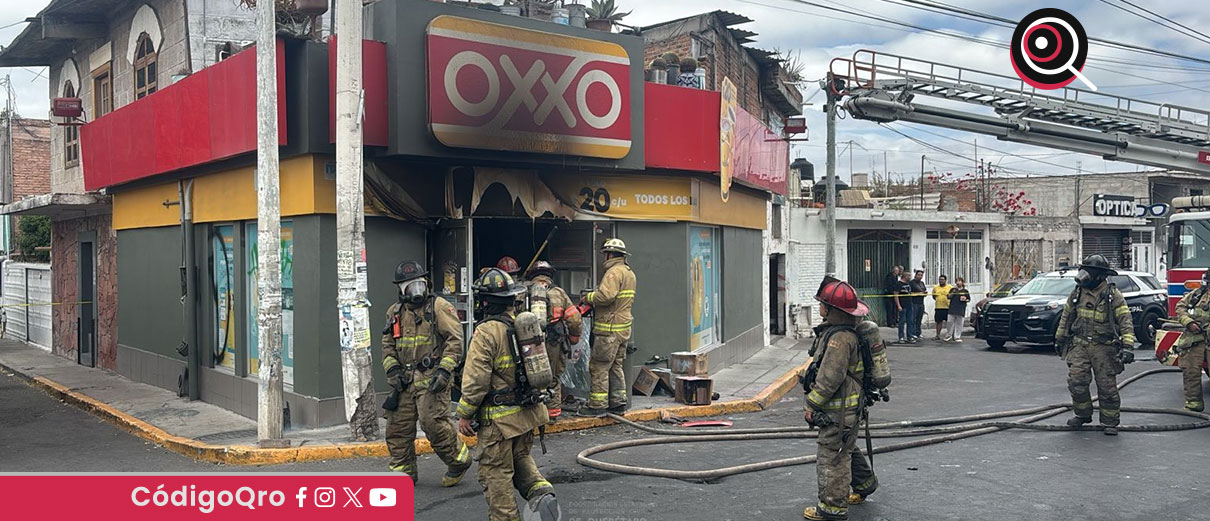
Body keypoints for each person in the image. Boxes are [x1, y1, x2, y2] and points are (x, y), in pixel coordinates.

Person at [456, 268, 560, 521]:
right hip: (527, 414)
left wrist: (464, 415)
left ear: (484, 302)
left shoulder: (486, 332)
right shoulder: (522, 325)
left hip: (498, 422)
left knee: (496, 474)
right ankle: (542, 493)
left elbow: (476, 380)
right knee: (520, 458)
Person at [381, 260, 471, 485]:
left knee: (433, 424)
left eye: (418, 285)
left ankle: (458, 461)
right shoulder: (395, 312)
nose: (415, 291)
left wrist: (445, 371)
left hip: (432, 379)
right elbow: (387, 344)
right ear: (401, 289)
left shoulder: (439, 307)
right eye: (409, 287)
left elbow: (455, 341)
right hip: (404, 382)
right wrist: (392, 369)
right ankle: (403, 474)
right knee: (397, 428)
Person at [802, 277, 878, 521]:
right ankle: (865, 483)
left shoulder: (839, 339)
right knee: (846, 445)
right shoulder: (844, 333)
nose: (820, 307)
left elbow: (830, 379)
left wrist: (812, 405)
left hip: (839, 409)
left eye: (823, 304)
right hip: (851, 408)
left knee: (832, 454)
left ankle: (832, 507)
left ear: (832, 309)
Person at [1054, 255, 1136, 436]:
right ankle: (1082, 415)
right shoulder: (1077, 293)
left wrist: (1128, 346)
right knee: (1077, 383)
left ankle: (1110, 421)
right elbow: (1066, 317)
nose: (1084, 275)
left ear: (1099, 275)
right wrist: (1060, 338)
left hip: (1104, 347)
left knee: (1106, 387)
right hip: (1080, 345)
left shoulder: (1112, 295)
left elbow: (1125, 321)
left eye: (1089, 272)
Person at [579, 238, 637, 417]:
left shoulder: (613, 272)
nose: (604, 257)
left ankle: (597, 405)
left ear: (610, 254)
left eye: (605, 254)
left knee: (599, 366)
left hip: (608, 329)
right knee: (616, 365)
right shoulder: (629, 273)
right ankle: (618, 403)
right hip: (623, 328)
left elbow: (606, 296)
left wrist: (588, 298)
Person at [524, 261, 584, 420]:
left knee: (529, 376)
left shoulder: (523, 292)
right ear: (550, 275)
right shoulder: (559, 293)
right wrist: (574, 337)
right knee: (552, 377)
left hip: (528, 342)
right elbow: (574, 319)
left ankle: (533, 413)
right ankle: (552, 414)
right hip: (554, 341)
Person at [1174, 268, 1210, 412]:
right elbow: (1180, 307)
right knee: (1191, 371)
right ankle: (1193, 404)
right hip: (1195, 339)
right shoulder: (1198, 294)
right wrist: (1189, 323)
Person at [946, 277, 971, 343]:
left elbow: (968, 299)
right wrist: (952, 293)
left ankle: (957, 336)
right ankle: (949, 335)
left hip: (960, 309)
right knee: (949, 322)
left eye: (959, 281)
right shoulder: (953, 289)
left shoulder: (965, 291)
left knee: (959, 324)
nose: (958, 283)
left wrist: (965, 299)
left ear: (962, 282)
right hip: (952, 309)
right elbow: (948, 297)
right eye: (957, 281)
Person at [893, 272, 913, 343]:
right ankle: (901, 337)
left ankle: (909, 336)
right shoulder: (898, 284)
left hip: (909, 305)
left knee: (910, 321)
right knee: (902, 321)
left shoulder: (908, 284)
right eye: (909, 276)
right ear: (905, 276)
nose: (910, 277)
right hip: (902, 305)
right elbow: (896, 295)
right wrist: (898, 305)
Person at [932, 275, 951, 340]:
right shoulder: (935, 288)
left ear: (945, 280)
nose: (941, 281)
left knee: (949, 322)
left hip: (947, 307)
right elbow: (933, 296)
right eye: (940, 279)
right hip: (938, 307)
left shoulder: (950, 287)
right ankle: (937, 335)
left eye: (942, 279)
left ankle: (949, 335)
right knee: (938, 322)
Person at [909, 270, 927, 342]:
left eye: (921, 275)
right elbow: (910, 293)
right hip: (914, 303)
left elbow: (924, 291)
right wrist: (919, 293)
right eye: (918, 275)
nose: (920, 276)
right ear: (915, 275)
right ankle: (912, 333)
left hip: (921, 303)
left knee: (919, 319)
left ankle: (918, 332)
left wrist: (924, 293)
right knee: (913, 319)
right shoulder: (912, 283)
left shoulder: (922, 283)